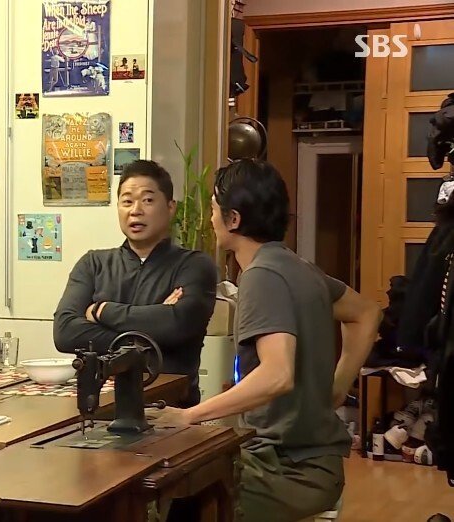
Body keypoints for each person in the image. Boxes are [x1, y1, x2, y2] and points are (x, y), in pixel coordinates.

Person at [158, 159, 382, 521]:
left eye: (214, 210)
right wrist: (338, 385)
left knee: (168, 501)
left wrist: (189, 416)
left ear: (233, 219)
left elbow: (278, 375)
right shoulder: (298, 267)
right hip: (314, 467)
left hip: (289, 472)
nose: (210, 220)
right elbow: (367, 313)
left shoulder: (261, 276)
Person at [52, 160, 218, 407]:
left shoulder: (194, 265)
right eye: (127, 201)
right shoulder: (94, 264)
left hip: (170, 409)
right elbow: (65, 332)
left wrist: (101, 311)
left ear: (170, 207)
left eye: (148, 200)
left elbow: (178, 325)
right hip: (100, 407)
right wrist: (151, 331)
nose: (135, 210)